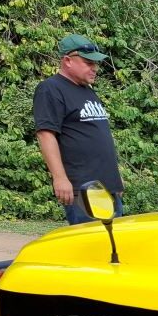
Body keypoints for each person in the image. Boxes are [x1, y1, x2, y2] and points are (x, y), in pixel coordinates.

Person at [33, 34, 123, 225]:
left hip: (108, 186)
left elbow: (98, 137)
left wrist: (116, 179)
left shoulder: (87, 90)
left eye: (96, 64)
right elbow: (46, 134)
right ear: (67, 61)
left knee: (115, 248)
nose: (94, 68)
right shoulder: (51, 89)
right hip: (84, 188)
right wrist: (59, 178)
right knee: (93, 249)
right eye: (88, 63)